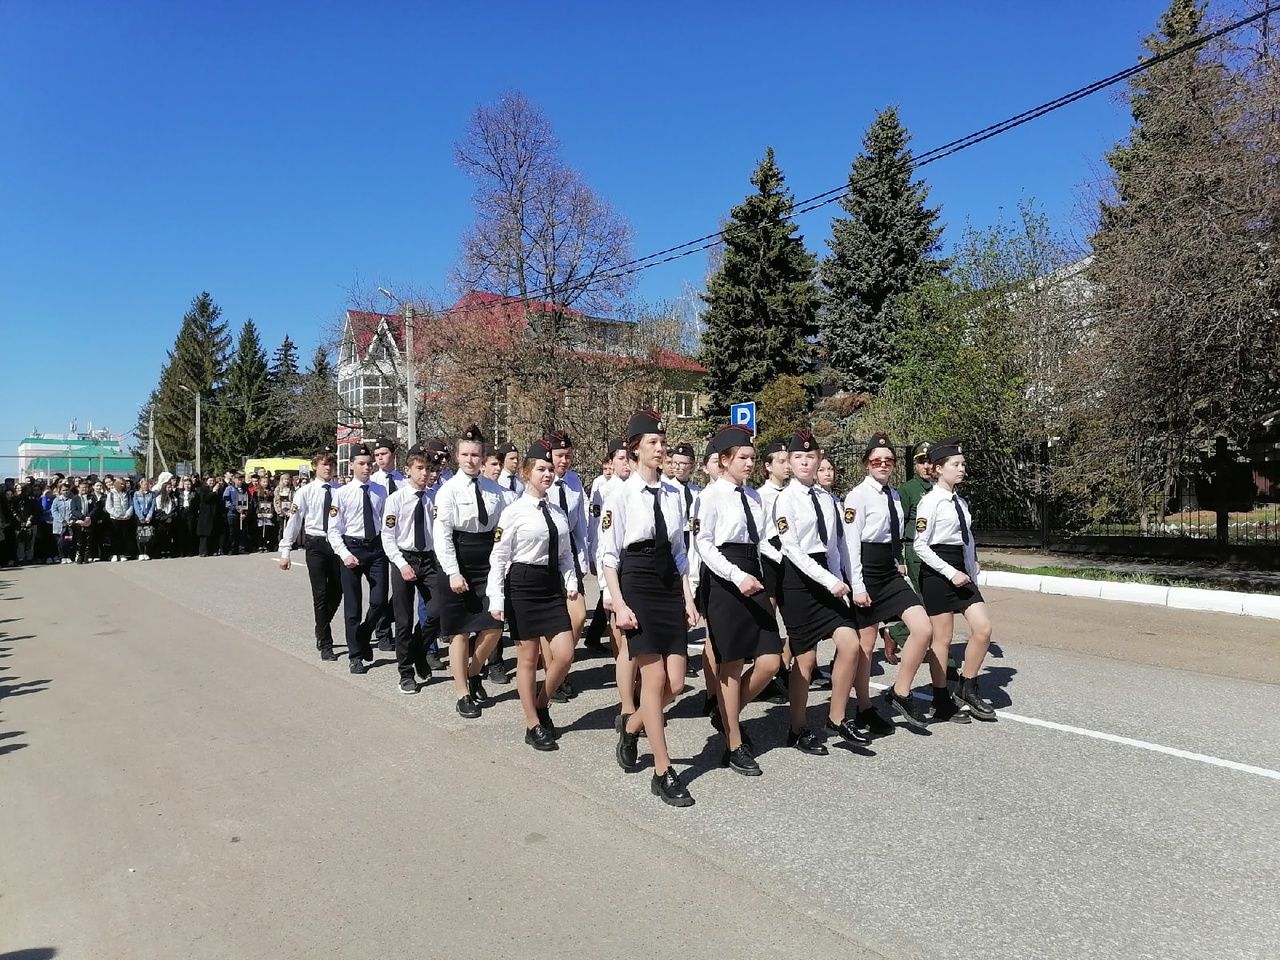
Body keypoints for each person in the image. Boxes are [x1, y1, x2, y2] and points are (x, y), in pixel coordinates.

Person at [603, 410, 698, 808]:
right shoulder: (619, 494)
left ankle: (632, 725)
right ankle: (663, 770)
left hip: (667, 584)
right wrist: (619, 604)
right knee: (655, 678)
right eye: (654, 443)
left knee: (676, 684)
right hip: (637, 582)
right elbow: (608, 556)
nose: (661, 448)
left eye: (663, 442)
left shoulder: (675, 493)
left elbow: (679, 551)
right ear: (635, 448)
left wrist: (688, 596)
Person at [695, 425, 784, 777]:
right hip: (724, 582)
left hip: (754, 574)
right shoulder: (710, 496)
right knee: (730, 665)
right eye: (743, 458)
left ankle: (725, 713)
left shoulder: (755, 497)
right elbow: (705, 544)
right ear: (725, 460)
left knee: (770, 661)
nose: (749, 463)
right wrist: (735, 576)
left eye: (751, 457)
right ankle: (733, 744)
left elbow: (763, 540)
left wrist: (783, 557)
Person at [772, 429, 865, 756]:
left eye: (810, 457)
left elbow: (837, 547)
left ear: (818, 459)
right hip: (799, 581)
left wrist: (846, 582)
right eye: (798, 457)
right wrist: (829, 581)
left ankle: (836, 718)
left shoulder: (829, 499)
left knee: (850, 643)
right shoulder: (785, 499)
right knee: (806, 659)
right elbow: (793, 550)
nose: (805, 462)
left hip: (829, 575)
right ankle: (797, 727)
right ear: (790, 462)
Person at [487, 439, 579, 751]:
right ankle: (532, 723)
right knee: (528, 658)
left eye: (551, 469)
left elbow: (566, 555)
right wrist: (496, 598)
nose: (548, 474)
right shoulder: (514, 511)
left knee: (564, 654)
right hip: (523, 585)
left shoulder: (557, 511)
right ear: (527, 472)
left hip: (550, 586)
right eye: (541, 468)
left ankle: (541, 702)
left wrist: (571, 582)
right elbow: (499, 557)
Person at [844, 433, 933, 731]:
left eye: (889, 460)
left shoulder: (893, 494)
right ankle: (864, 707)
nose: (883, 465)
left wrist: (898, 562)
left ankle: (900, 691)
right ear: (866, 464)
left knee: (923, 628)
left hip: (889, 571)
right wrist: (857, 586)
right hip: (867, 571)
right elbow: (852, 544)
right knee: (866, 645)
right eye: (876, 460)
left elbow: (893, 534)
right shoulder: (857, 495)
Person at [432, 425, 516, 718]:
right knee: (460, 633)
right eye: (465, 454)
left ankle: (473, 671)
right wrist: (453, 572)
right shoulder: (447, 491)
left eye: (476, 455)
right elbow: (441, 535)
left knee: (494, 626)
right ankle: (462, 693)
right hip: (458, 559)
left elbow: (507, 528)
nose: (471, 460)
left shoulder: (497, 492)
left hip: (488, 561)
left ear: (484, 457)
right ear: (457, 457)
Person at [914, 439, 997, 721]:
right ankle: (940, 699)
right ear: (938, 469)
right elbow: (920, 546)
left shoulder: (960, 501)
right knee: (943, 639)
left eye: (963, 464)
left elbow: (967, 539)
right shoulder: (930, 502)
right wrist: (951, 572)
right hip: (938, 573)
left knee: (983, 629)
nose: (962, 469)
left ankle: (967, 687)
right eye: (955, 465)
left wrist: (971, 567)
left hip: (962, 569)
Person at [381, 445, 439, 694]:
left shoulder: (434, 498)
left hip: (428, 559)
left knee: (437, 612)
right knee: (403, 620)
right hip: (403, 558)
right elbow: (387, 536)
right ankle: (405, 673)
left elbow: (438, 532)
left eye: (428, 469)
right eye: (420, 468)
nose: (425, 473)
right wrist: (402, 564)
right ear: (407, 470)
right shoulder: (396, 499)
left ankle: (418, 651)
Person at [327, 443, 389, 674]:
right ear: (351, 465)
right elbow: (333, 529)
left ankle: (363, 634)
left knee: (380, 600)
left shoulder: (379, 491)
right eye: (361, 464)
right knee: (352, 606)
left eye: (369, 464)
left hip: (375, 548)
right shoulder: (341, 494)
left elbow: (385, 522)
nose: (366, 468)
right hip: (351, 547)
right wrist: (344, 554)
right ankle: (355, 656)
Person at [279, 450, 344, 661]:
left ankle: (320, 625)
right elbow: (295, 521)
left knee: (338, 590)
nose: (328, 468)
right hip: (316, 544)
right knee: (321, 593)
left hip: (336, 545)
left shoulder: (340, 490)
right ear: (315, 466)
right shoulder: (305, 492)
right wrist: (286, 550)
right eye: (324, 464)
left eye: (331, 464)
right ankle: (326, 642)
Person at [545, 431, 588, 700]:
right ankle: (555, 674)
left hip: (569, 552)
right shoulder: (542, 479)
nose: (564, 460)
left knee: (578, 614)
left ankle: (563, 664)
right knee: (550, 621)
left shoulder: (573, 481)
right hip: (546, 553)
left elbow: (580, 525)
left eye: (568, 455)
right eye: (560, 455)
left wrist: (584, 557)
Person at [882, 442, 933, 665]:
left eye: (930, 461)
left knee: (936, 602)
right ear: (916, 465)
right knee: (926, 600)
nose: (927, 466)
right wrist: (899, 557)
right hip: (915, 551)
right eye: (922, 462)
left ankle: (897, 634)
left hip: (936, 551)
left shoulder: (941, 488)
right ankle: (898, 634)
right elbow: (898, 525)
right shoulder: (908, 490)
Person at [583, 439, 628, 652]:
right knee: (618, 631)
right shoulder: (607, 490)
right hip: (612, 560)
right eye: (621, 459)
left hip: (632, 564)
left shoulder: (636, 487)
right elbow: (600, 532)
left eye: (629, 458)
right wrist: (604, 583)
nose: (626, 463)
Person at [105, 477, 134, 561]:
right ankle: (114, 553)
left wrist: (128, 514)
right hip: (115, 518)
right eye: (120, 484)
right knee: (114, 536)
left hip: (125, 518)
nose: (122, 485)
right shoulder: (111, 493)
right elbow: (109, 507)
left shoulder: (127, 493)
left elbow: (130, 505)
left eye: (123, 484)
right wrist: (117, 515)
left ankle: (122, 553)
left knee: (123, 536)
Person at [196, 475, 222, 557]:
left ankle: (213, 550)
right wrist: (213, 492)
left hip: (214, 515)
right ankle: (203, 551)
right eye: (210, 480)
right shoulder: (202, 489)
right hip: (205, 515)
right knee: (205, 534)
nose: (212, 482)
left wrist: (215, 492)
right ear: (206, 481)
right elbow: (205, 499)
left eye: (213, 481)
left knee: (213, 533)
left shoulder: (217, 490)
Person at [132, 478, 156, 560]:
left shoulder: (152, 494)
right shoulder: (136, 494)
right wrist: (141, 516)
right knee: (140, 535)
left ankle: (146, 552)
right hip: (139, 517)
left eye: (148, 484)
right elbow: (136, 506)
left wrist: (149, 516)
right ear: (141, 485)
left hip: (148, 517)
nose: (146, 486)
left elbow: (152, 506)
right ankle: (140, 553)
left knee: (148, 535)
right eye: (144, 484)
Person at [50, 481, 74, 564]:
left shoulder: (72, 499)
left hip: (69, 525)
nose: (65, 491)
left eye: (67, 490)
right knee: (60, 542)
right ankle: (62, 557)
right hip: (59, 525)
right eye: (63, 490)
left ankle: (68, 556)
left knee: (68, 541)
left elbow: (74, 510)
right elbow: (54, 511)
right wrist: (62, 520)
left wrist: (71, 519)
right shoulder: (56, 500)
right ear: (60, 491)